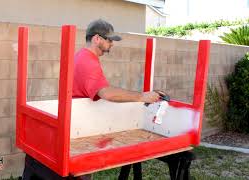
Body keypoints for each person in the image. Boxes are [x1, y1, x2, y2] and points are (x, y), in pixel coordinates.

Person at [73, 19, 195, 180]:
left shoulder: (83, 57)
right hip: (79, 129)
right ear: (97, 39)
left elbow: (100, 91)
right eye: (109, 40)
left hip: (81, 125)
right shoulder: (87, 60)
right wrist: (142, 96)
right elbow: (107, 93)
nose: (112, 44)